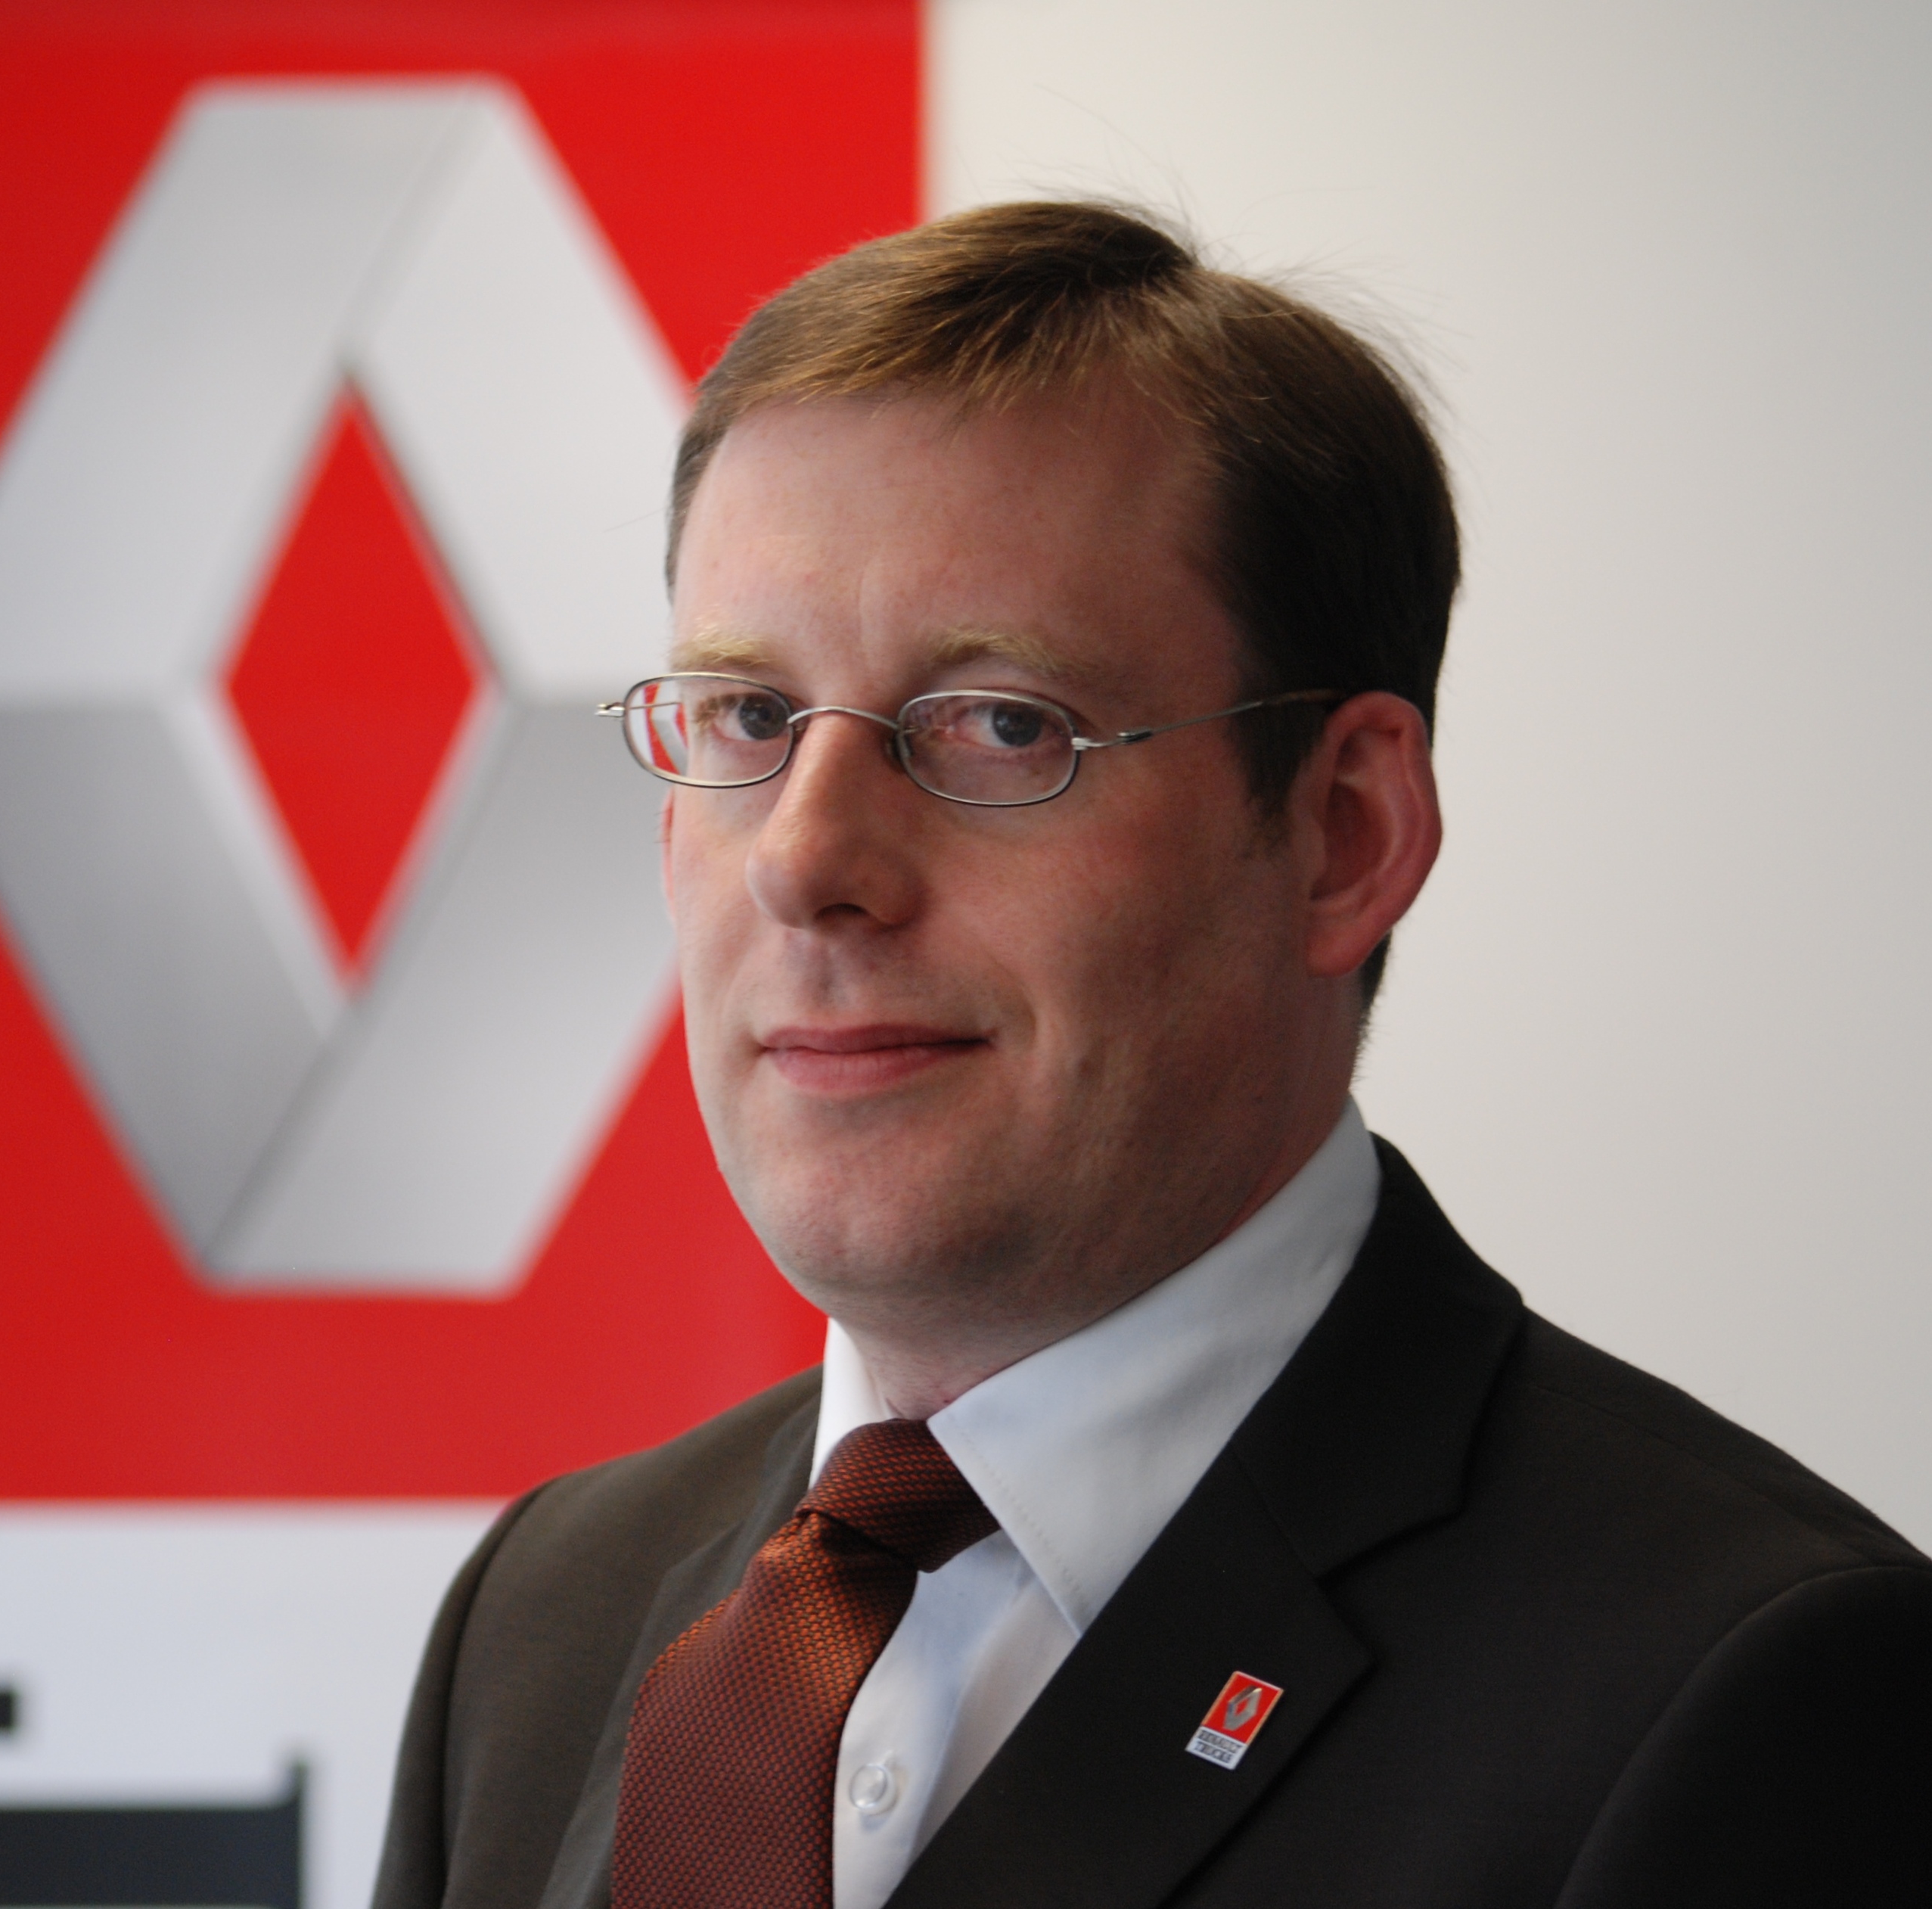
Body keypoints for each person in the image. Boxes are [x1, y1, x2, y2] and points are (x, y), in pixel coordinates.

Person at [371, 202, 1931, 1909]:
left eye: (998, 724)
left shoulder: (1752, 1685)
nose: (804, 861)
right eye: (750, 716)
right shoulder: (546, 1617)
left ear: (1342, 835)